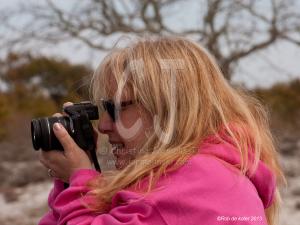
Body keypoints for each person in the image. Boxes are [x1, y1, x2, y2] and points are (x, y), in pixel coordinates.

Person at [38, 36, 285, 225]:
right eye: (103, 109)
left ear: (171, 110)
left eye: (117, 108)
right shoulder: (212, 175)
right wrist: (74, 180)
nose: (103, 126)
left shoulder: (199, 182)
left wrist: (78, 180)